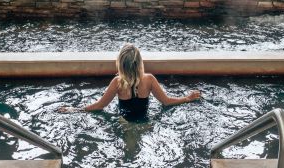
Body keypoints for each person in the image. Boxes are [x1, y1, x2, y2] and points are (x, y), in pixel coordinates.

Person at [58, 43, 200, 120]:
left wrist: (74, 109)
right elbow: (167, 101)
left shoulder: (117, 82)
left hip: (124, 123)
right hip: (145, 123)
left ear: (120, 64)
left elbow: (99, 106)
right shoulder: (149, 79)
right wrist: (188, 98)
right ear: (140, 63)